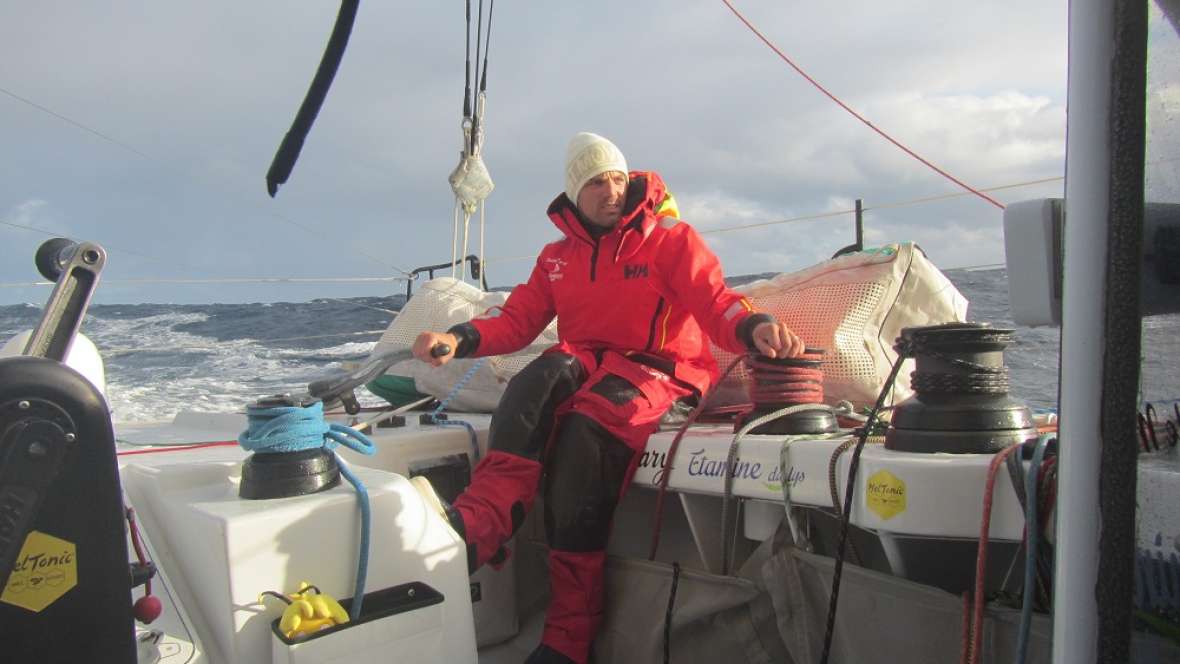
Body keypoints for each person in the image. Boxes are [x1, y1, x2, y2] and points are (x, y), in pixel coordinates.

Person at [412, 132, 803, 664]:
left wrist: (753, 326)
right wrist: (459, 339)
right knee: (537, 381)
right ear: (575, 193)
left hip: (665, 369)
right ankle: (483, 525)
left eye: (617, 178)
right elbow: (518, 319)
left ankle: (569, 637)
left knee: (586, 432)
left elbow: (716, 301)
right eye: (596, 181)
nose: (611, 189)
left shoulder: (669, 239)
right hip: (594, 361)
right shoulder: (557, 257)